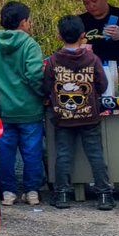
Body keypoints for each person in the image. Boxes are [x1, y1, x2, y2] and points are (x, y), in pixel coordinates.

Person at [0, 2, 45, 207]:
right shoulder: (29, 44)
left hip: (2, 109)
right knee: (32, 151)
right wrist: (42, 93)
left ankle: (8, 192)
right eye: (29, 20)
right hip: (29, 108)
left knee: (5, 151)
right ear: (23, 22)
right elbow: (35, 74)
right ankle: (32, 191)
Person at [43, 15, 112, 210]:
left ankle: (62, 194)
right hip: (89, 115)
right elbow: (103, 84)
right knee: (96, 155)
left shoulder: (53, 61)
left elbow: (46, 85)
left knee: (63, 155)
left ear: (59, 36)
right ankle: (104, 195)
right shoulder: (92, 58)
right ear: (83, 36)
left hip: (63, 117)